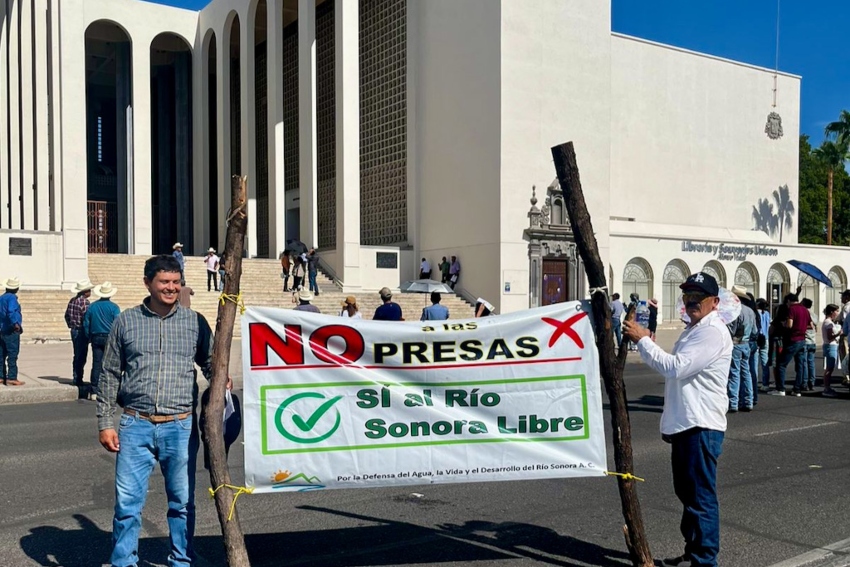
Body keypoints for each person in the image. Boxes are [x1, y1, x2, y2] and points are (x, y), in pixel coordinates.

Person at [97, 255, 214, 567]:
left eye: (176, 282)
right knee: (127, 504)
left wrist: (220, 376)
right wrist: (106, 421)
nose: (171, 288)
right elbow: (109, 373)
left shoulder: (195, 322)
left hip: (181, 425)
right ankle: (124, 562)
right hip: (136, 424)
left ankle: (181, 560)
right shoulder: (126, 321)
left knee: (182, 502)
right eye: (164, 282)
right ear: (148, 283)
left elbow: (210, 361)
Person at [623, 271, 731, 567]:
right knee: (688, 494)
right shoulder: (694, 328)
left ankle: (704, 560)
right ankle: (694, 551)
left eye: (698, 297)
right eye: (687, 297)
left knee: (699, 498)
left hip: (700, 425)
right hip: (687, 423)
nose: (691, 302)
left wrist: (644, 340)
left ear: (714, 302)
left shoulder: (712, 331)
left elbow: (675, 368)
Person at [83, 282, 120, 402]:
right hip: (109, 337)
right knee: (110, 365)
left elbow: (86, 323)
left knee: (96, 363)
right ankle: (107, 389)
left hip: (95, 337)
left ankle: (94, 390)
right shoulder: (114, 307)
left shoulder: (92, 306)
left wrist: (88, 336)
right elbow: (118, 324)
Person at [772, 293, 811, 397]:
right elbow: (809, 324)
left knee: (781, 364)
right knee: (800, 365)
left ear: (789, 301)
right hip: (802, 339)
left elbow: (789, 325)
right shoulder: (805, 310)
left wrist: (783, 324)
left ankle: (780, 388)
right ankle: (797, 389)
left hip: (793, 339)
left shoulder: (792, 309)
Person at [728, 286, 756, 412]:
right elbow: (755, 330)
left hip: (736, 344)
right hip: (747, 343)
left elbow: (732, 330)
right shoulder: (750, 311)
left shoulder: (735, 311)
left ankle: (733, 402)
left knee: (734, 373)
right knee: (746, 372)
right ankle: (748, 401)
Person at [65, 279, 94, 398]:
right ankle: (79, 378)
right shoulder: (85, 303)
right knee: (82, 355)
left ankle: (76, 376)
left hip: (74, 330)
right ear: (85, 291)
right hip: (82, 330)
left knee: (76, 354)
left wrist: (71, 324)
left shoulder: (72, 301)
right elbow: (87, 319)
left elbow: (66, 315)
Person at [0, 277, 23, 386]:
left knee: (1, 354)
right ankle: (12, 377)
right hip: (10, 330)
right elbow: (11, 312)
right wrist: (16, 324)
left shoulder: (2, 298)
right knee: (12, 354)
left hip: (2, 330)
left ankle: (1, 376)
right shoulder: (12, 299)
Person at [821, 304, 842, 398]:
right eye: (836, 311)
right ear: (831, 312)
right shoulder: (828, 323)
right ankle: (826, 388)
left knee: (829, 368)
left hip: (829, 345)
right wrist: (838, 334)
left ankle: (827, 387)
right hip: (830, 346)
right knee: (829, 368)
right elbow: (830, 337)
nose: (837, 313)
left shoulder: (829, 322)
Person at [801, 298, 818, 391]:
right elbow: (815, 326)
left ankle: (804, 382)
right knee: (811, 362)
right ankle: (812, 382)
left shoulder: (804, 313)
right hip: (813, 340)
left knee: (804, 363)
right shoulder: (814, 315)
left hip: (805, 340)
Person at [755, 299, 772, 393]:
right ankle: (765, 383)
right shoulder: (766, 313)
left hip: (758, 337)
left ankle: (755, 381)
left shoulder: (756, 313)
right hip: (765, 338)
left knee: (755, 361)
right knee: (765, 362)